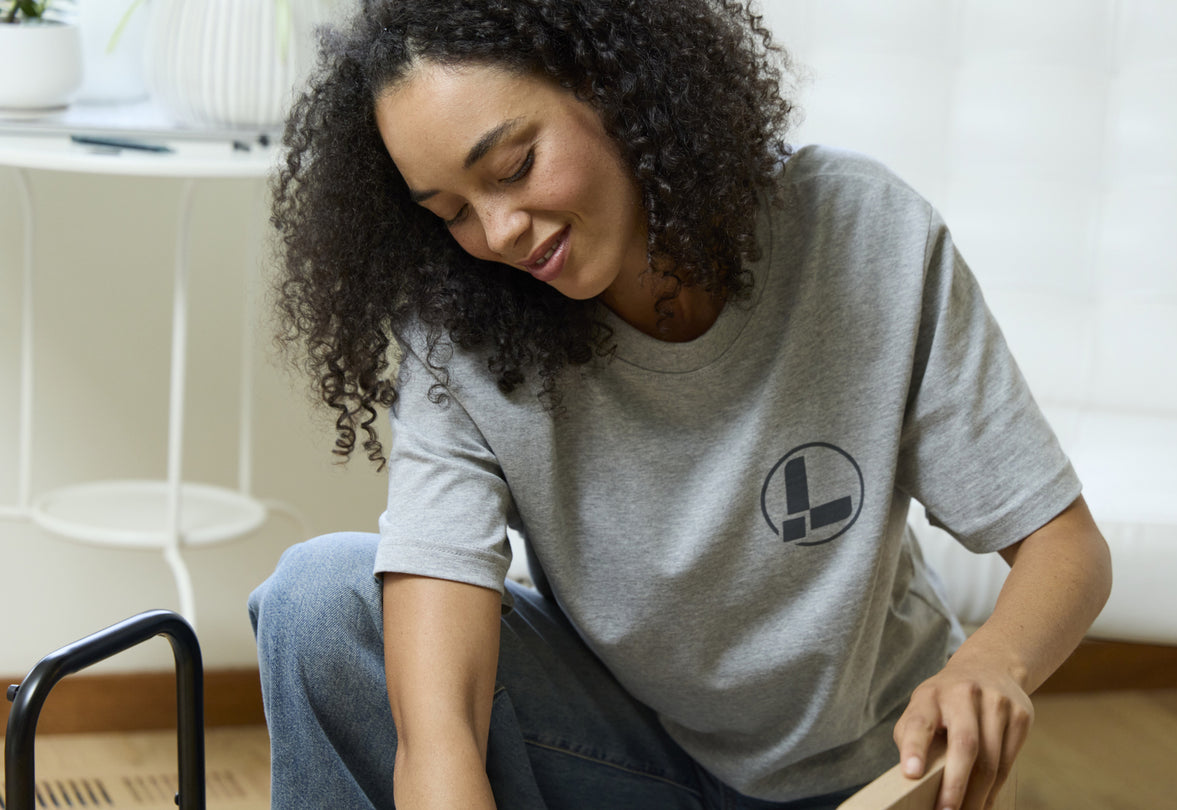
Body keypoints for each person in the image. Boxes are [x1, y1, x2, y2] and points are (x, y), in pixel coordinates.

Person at [249, 1, 1113, 808]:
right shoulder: (465, 336)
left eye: (513, 167)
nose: (498, 232)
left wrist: (995, 663)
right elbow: (437, 737)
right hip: (634, 759)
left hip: (874, 766)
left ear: (611, 85)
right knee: (317, 602)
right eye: (451, 213)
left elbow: (1064, 545)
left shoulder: (860, 233)